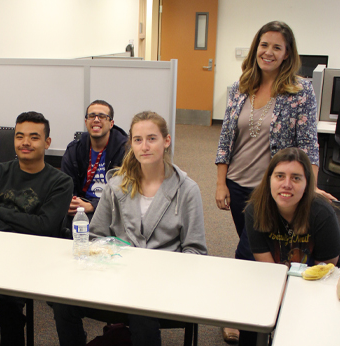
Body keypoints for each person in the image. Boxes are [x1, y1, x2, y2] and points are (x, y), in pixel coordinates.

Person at [214, 21, 333, 344]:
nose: (268, 52)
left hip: (274, 189)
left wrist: (309, 186)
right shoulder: (242, 86)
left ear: (287, 54)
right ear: (256, 48)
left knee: (250, 253)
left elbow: (308, 143)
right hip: (239, 183)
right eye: (264, 45)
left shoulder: (300, 90)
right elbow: (226, 137)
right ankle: (252, 311)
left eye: (276, 47)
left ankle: (248, 315)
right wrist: (221, 182)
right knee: (256, 252)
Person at [52, 111, 207, 346]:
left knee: (141, 311)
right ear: (131, 144)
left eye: (152, 139)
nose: (144, 146)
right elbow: (95, 237)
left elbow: (196, 252)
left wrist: (161, 274)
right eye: (138, 140)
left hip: (161, 281)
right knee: (62, 302)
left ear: (166, 141)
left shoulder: (187, 190)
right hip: (117, 274)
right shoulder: (116, 185)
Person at [0, 111, 73, 345]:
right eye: (19, 136)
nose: (25, 143)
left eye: (34, 137)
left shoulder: (60, 182)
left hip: (35, 256)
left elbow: (46, 227)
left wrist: (2, 212)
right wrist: (22, 228)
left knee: (7, 295)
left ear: (47, 142)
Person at [242, 147, 340, 345]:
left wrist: (295, 304)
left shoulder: (322, 213)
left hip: (316, 285)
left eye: (296, 178)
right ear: (269, 179)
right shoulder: (255, 209)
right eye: (279, 176)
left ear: (307, 184)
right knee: (252, 317)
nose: (286, 184)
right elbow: (270, 270)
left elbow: (324, 270)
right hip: (273, 280)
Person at [61, 100, 128, 231]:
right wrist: (70, 202)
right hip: (80, 208)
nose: (96, 120)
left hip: (112, 209)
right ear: (86, 122)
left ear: (111, 124)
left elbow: (125, 193)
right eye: (92, 116)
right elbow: (65, 184)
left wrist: (93, 205)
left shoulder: (125, 151)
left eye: (102, 116)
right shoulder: (74, 150)